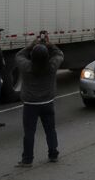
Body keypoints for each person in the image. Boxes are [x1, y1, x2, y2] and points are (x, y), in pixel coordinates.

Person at [14, 31, 64, 166]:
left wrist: (31, 45)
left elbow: (18, 55)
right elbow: (59, 54)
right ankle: (53, 154)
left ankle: (27, 159)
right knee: (50, 130)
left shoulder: (26, 67)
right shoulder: (52, 66)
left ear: (32, 56)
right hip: (47, 102)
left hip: (30, 104)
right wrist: (49, 44)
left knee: (29, 133)